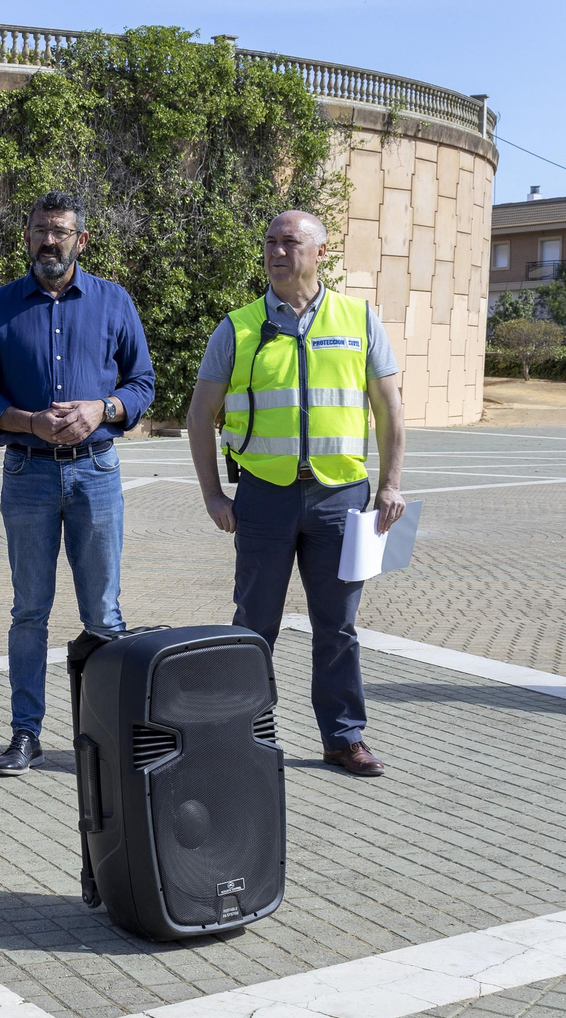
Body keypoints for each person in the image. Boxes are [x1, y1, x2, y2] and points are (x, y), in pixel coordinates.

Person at [186, 210, 406, 776]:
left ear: (321, 252)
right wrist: (213, 494)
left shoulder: (358, 319)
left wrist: (390, 485)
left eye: (290, 242)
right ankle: (240, 738)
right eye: (270, 242)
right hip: (265, 498)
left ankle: (344, 737)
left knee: (338, 627)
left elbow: (388, 409)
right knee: (253, 624)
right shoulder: (238, 327)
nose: (277, 252)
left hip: (340, 499)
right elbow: (200, 414)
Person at [0, 190, 155, 777]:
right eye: (40, 231)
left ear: (81, 240)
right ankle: (26, 734)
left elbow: (142, 382)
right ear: (27, 237)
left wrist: (103, 408)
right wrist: (27, 422)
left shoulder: (114, 301)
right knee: (29, 612)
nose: (49, 241)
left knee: (104, 614)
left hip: (97, 470)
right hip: (28, 473)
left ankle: (109, 739)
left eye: (60, 232)